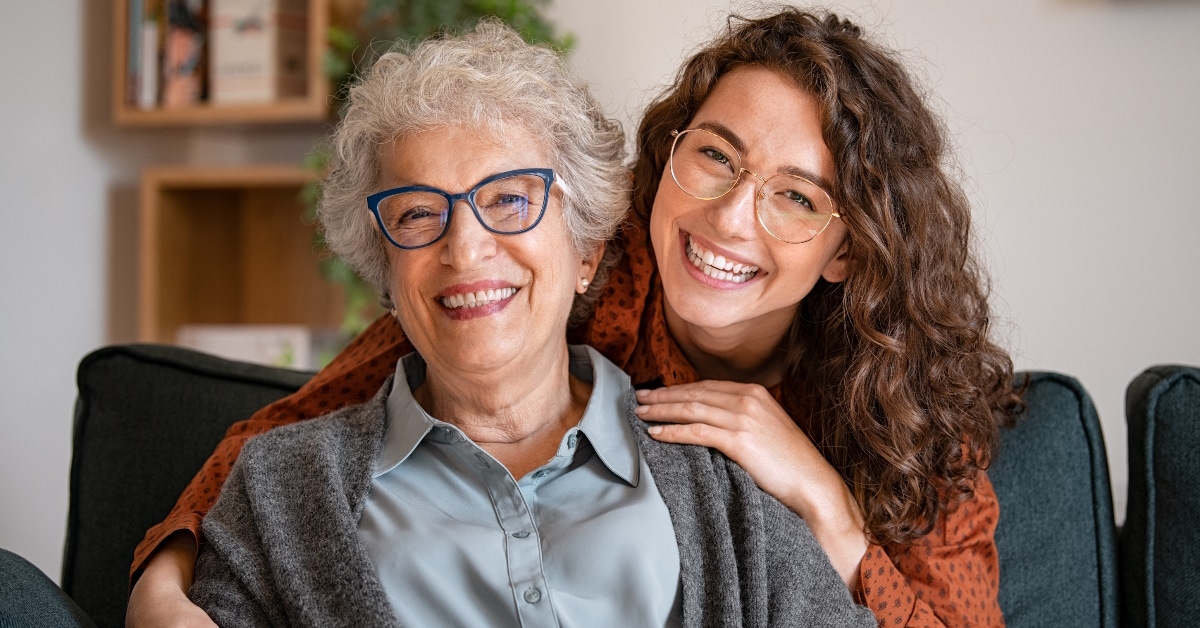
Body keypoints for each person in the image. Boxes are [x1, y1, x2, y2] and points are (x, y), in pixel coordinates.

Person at [129, 9, 1020, 628]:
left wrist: (822, 502)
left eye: (795, 196)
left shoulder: (910, 414)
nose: (730, 217)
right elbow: (289, 436)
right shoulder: (588, 270)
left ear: (847, 250)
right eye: (715, 156)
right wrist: (162, 588)